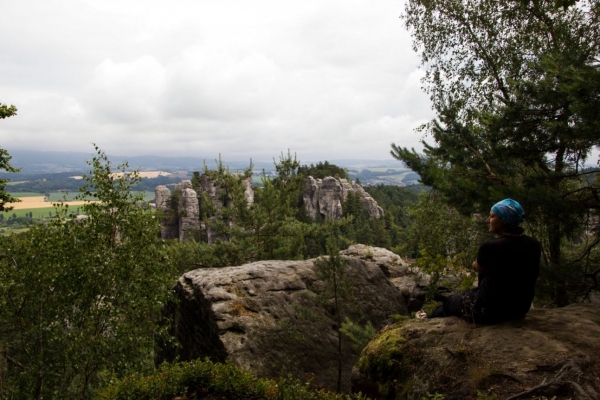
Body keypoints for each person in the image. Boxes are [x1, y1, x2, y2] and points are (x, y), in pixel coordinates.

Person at [425, 198, 541, 324]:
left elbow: (478, 267)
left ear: (504, 220)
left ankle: (426, 321)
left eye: (492, 216)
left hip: (487, 311)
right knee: (466, 295)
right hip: (519, 309)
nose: (487, 220)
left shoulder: (491, 246)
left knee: (449, 301)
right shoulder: (534, 244)